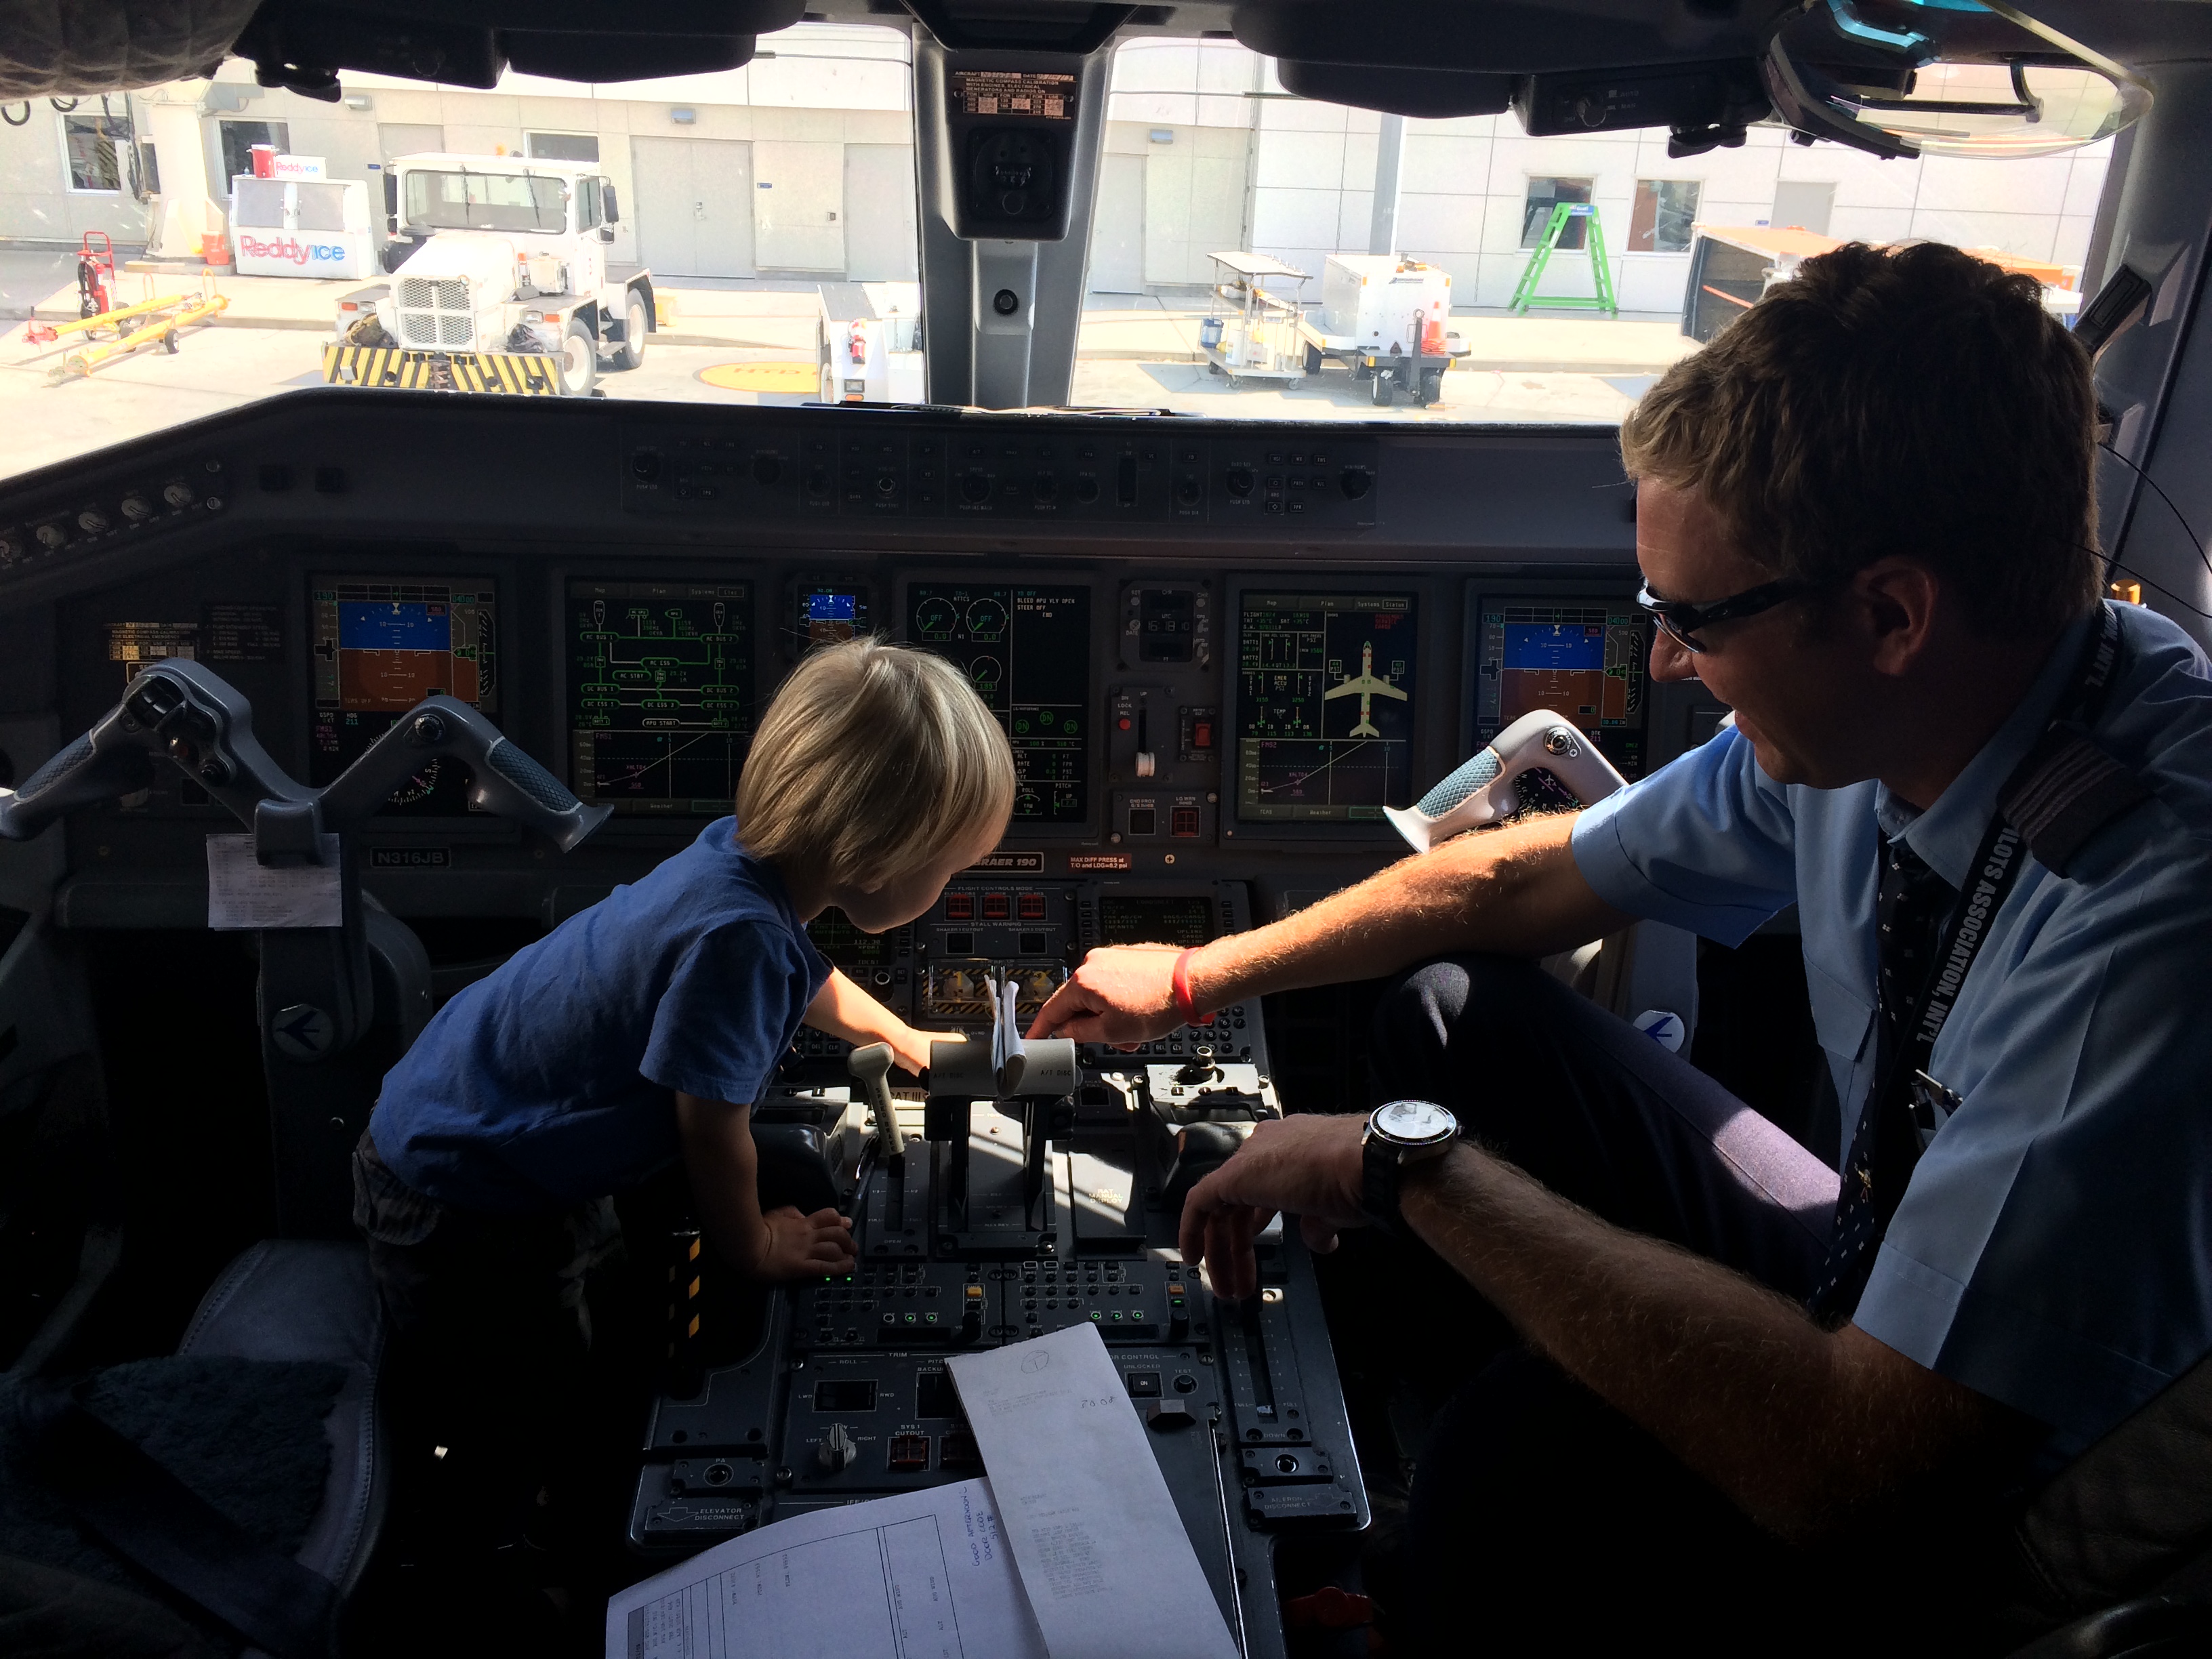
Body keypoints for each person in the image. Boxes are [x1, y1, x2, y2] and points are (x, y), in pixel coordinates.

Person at [1029, 243, 2212, 1651]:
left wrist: (1395, 1165)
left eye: (1694, 619)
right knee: (1454, 1013)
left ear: (1892, 613)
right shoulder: (1886, 724)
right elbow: (1529, 876)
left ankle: (1458, 1553)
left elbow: (1859, 1465)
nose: (1661, 663)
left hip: (1970, 1486)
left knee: (1521, 1456)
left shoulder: (2145, 921)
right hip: (1877, 1252)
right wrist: (1195, 976)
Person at [353, 636, 1012, 1563]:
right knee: (529, 1401)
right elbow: (711, 1131)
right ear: (877, 859)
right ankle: (507, 1564)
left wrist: (901, 1037)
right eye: (950, 869)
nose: (949, 888)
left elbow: (805, 970)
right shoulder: (740, 944)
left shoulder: (739, 861)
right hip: (461, 1196)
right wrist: (756, 1245)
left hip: (464, 1117)